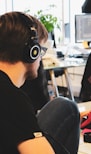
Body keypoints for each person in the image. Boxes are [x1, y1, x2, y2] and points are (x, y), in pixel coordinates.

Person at [0, 11, 80, 154]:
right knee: (68, 108)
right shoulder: (11, 97)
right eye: (41, 51)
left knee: (64, 106)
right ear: (32, 52)